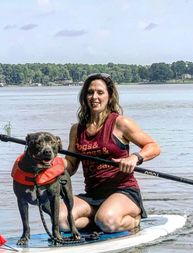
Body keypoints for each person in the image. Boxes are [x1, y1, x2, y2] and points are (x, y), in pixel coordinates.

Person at [59, 73, 160, 233]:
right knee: (61, 221)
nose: (94, 97)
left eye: (100, 92)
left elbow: (153, 146)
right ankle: (99, 219)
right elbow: (70, 166)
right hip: (92, 195)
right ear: (84, 97)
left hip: (123, 191)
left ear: (109, 96)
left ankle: (132, 219)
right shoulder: (76, 130)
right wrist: (50, 163)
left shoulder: (120, 123)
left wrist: (135, 157)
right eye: (90, 92)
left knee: (107, 221)